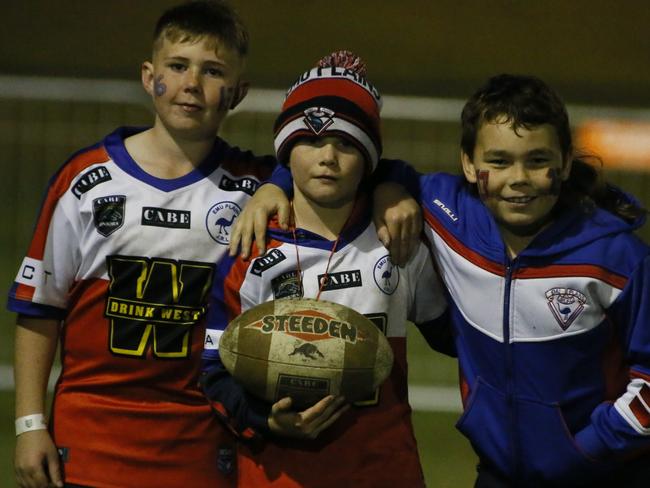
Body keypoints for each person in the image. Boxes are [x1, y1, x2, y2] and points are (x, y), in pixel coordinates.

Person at [231, 74, 650, 486]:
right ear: (469, 163)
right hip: (500, 474)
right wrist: (277, 183)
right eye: (499, 161)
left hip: (607, 474)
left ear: (566, 161)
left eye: (538, 160)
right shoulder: (447, 215)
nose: (518, 178)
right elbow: (355, 166)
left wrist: (589, 448)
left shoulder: (617, 258)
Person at [7, 2, 277, 487]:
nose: (192, 83)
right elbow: (39, 310)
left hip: (200, 448)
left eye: (213, 71)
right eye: (177, 66)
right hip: (89, 445)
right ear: (148, 76)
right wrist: (30, 425)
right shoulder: (85, 183)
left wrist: (281, 185)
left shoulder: (255, 189)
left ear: (238, 92)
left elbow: (344, 172)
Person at [201, 50, 450, 488]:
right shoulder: (248, 248)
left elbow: (459, 337)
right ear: (285, 151)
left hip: (383, 473)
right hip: (275, 477)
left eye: (348, 144)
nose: (328, 157)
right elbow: (211, 372)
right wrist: (267, 420)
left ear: (370, 158)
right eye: (312, 140)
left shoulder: (399, 242)